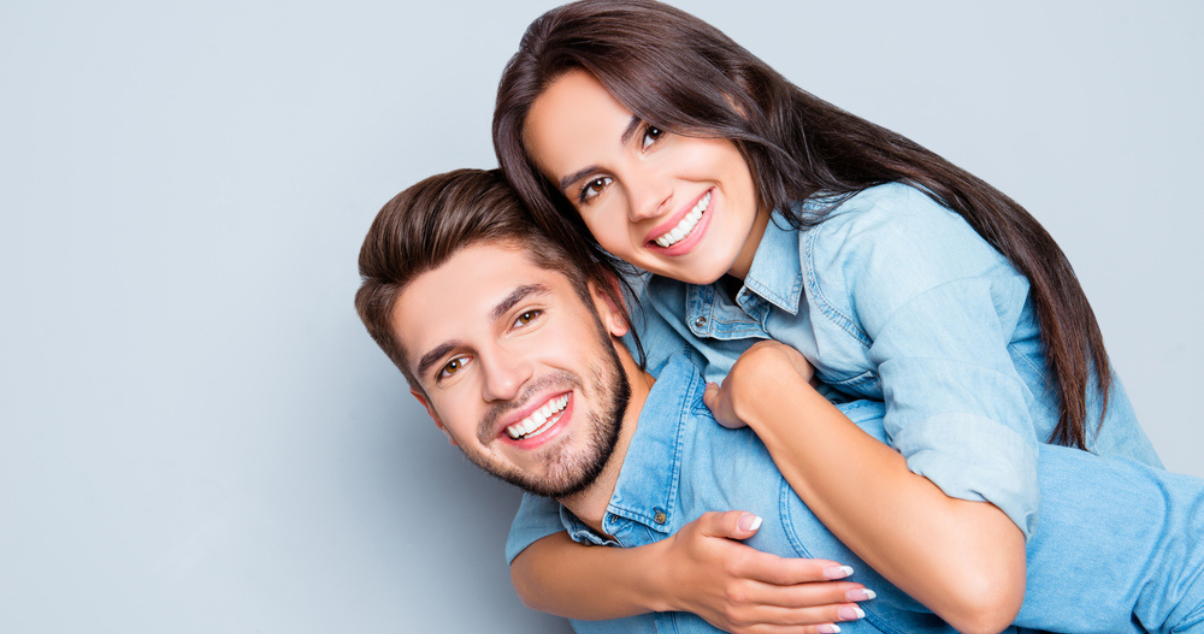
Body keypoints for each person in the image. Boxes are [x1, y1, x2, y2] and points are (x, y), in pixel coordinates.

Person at [490, 1, 1165, 630]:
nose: (644, 201)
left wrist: (769, 393)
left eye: (655, 133)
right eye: (595, 186)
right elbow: (537, 559)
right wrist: (669, 577)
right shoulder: (665, 315)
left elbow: (980, 587)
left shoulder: (889, 243)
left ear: (731, 96)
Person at [354, 168, 1204, 634]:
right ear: (435, 413)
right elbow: (535, 566)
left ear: (609, 303)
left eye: (527, 317)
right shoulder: (590, 567)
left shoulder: (816, 467)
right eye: (453, 367)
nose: (503, 383)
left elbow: (1182, 556)